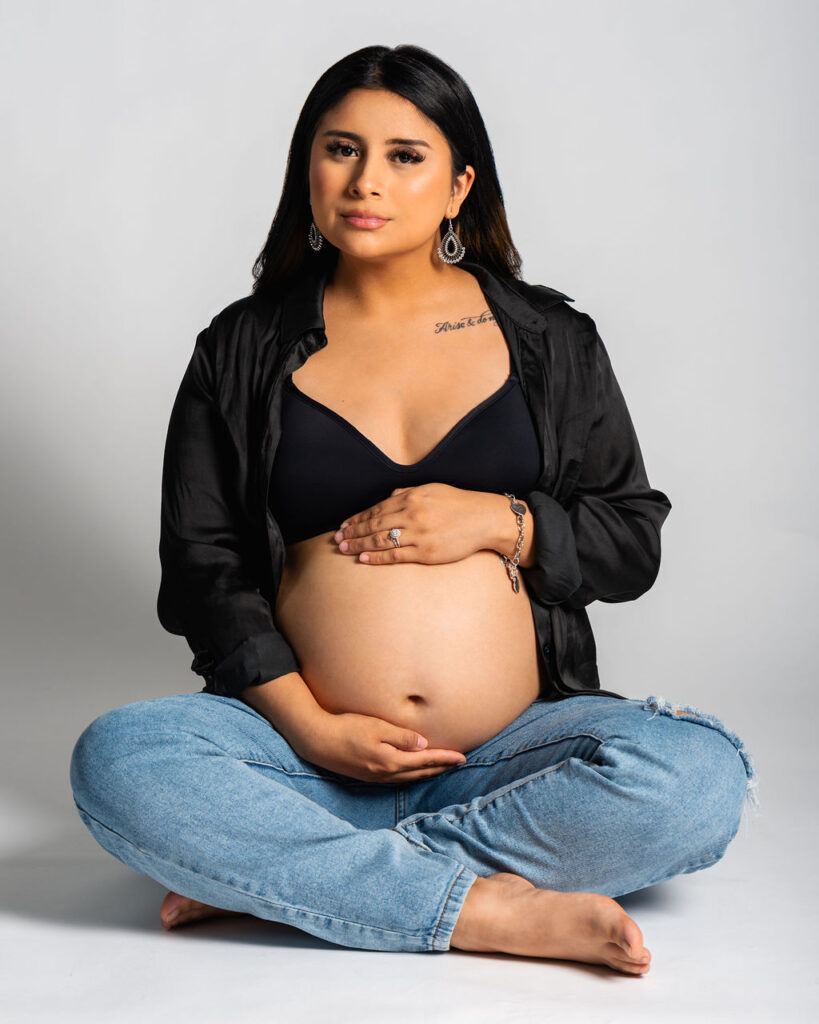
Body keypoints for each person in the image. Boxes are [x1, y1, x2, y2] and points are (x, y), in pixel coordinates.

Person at [69, 44, 758, 976]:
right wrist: (311, 727)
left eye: (404, 156)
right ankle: (478, 907)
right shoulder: (239, 347)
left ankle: (292, 871)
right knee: (120, 759)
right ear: (305, 168)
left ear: (458, 185)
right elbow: (203, 568)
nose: (364, 181)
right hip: (291, 749)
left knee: (695, 779)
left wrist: (499, 522)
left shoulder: (550, 341)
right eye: (339, 148)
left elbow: (629, 539)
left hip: (508, 754)